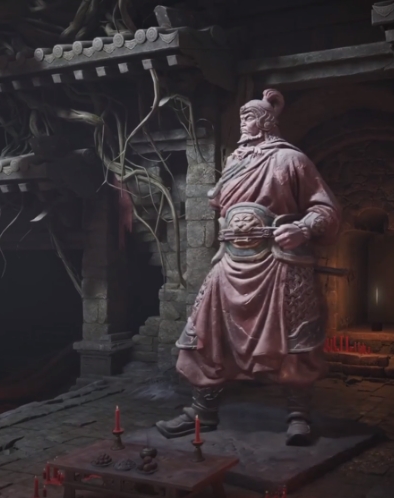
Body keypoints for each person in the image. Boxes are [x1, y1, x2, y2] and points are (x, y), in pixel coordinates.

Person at [155, 88, 340, 446]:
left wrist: (303, 228)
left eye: (250, 116)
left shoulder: (291, 160)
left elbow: (326, 209)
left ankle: (298, 414)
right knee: (204, 331)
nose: (243, 122)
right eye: (241, 116)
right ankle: (202, 411)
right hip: (230, 261)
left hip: (279, 262)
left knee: (294, 336)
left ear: (266, 121)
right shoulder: (234, 162)